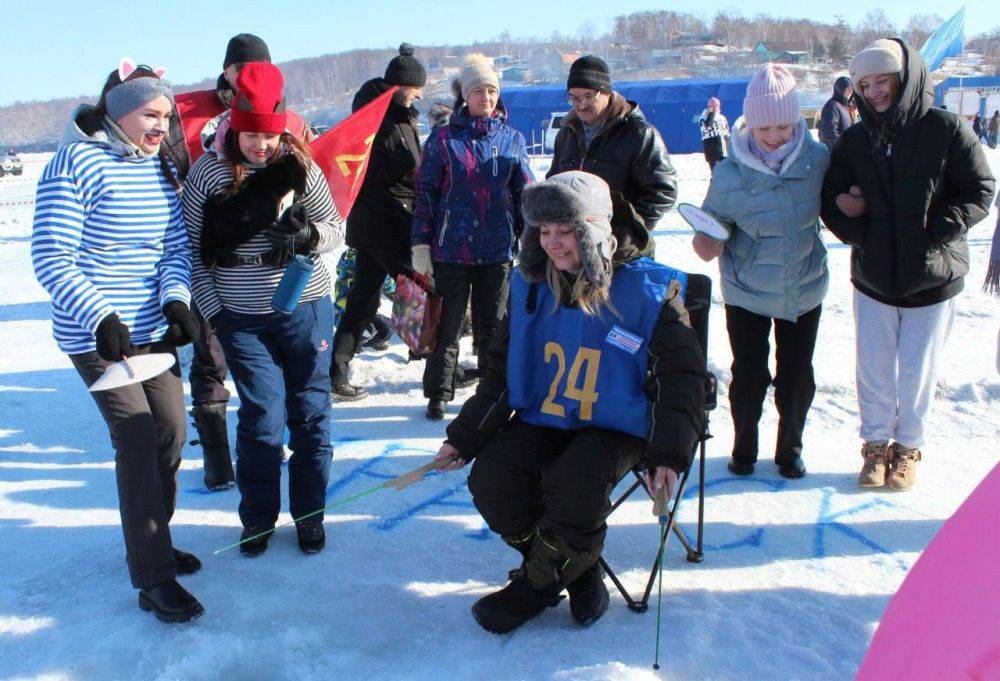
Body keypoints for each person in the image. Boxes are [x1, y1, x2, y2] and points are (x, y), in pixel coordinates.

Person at [431, 171, 705, 633]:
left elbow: (682, 378)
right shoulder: (529, 286)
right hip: (549, 414)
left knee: (576, 481)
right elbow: (501, 369)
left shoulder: (652, 290)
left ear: (596, 231)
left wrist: (669, 453)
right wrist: (465, 437)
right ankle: (576, 565)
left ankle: (534, 588)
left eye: (567, 231)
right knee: (494, 477)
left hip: (619, 423)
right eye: (544, 231)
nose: (554, 244)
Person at [31, 60, 203, 622]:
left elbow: (174, 250)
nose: (162, 127)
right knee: (136, 437)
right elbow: (52, 256)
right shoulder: (74, 162)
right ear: (120, 112)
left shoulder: (157, 169)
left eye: (167, 116)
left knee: (172, 432)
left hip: (151, 331)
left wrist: (176, 299)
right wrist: (102, 315)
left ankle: (155, 537)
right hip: (97, 335)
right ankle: (152, 575)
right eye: (151, 115)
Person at [182, 62, 345, 555]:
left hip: (305, 306)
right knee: (262, 417)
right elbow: (190, 250)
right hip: (242, 318)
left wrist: (307, 235)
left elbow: (336, 229)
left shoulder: (299, 165)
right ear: (234, 127)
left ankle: (310, 516)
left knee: (311, 412)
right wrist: (215, 312)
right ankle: (257, 519)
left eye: (269, 136)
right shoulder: (209, 173)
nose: (260, 145)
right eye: (250, 135)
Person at [820, 39, 994, 491]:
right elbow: (831, 199)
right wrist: (851, 222)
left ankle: (908, 448)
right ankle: (875, 446)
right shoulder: (856, 139)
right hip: (874, 276)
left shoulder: (947, 128)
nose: (875, 91)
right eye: (866, 84)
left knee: (918, 371)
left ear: (905, 78)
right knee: (874, 369)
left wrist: (941, 230)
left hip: (934, 276)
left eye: (883, 80)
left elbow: (979, 189)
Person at [178, 33, 313, 491]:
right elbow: (177, 173)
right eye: (240, 67)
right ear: (228, 70)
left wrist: (305, 234)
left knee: (288, 402)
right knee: (210, 361)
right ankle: (217, 454)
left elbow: (318, 194)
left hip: (281, 288)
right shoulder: (191, 115)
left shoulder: (289, 131)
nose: (247, 74)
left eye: (259, 66)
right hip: (221, 266)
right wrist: (212, 306)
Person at [693, 64, 829, 479]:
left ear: (796, 121)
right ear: (748, 123)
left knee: (796, 377)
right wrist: (707, 242)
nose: (772, 137)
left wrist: (854, 204)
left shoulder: (818, 160)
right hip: (747, 290)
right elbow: (708, 231)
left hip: (804, 288)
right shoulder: (730, 173)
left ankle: (790, 449)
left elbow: (840, 205)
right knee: (749, 375)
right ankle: (744, 448)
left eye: (782, 127)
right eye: (763, 127)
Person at [412, 53, 533, 420]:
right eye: (479, 90)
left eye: (492, 90)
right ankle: (438, 392)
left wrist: (531, 235)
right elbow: (426, 193)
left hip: (497, 249)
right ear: (465, 95)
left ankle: (492, 391)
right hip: (452, 249)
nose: (487, 97)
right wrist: (421, 242)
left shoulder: (512, 139)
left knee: (494, 328)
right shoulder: (444, 139)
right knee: (446, 325)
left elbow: (525, 192)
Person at [330, 43, 426, 401]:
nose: (420, 93)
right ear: (399, 86)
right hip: (385, 221)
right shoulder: (376, 118)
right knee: (418, 288)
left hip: (381, 221)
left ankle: (337, 372)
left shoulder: (401, 115)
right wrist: (406, 164)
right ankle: (431, 360)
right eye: (416, 87)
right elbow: (366, 168)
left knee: (364, 299)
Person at [547, 55, 677, 259]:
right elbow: (554, 183)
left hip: (622, 251)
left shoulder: (638, 133)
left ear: (606, 92)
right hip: (573, 250)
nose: (580, 105)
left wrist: (630, 230)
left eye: (588, 96)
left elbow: (663, 190)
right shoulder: (567, 134)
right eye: (574, 97)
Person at [818, 75, 854, 150]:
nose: (850, 92)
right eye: (848, 89)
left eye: (851, 90)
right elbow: (829, 132)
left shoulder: (844, 105)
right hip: (834, 152)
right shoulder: (832, 106)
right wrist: (842, 148)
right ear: (840, 90)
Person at [699, 96, 730, 170]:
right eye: (716, 106)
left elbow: (726, 133)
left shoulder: (721, 117)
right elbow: (707, 128)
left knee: (720, 170)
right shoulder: (706, 116)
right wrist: (712, 114)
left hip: (714, 145)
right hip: (714, 144)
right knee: (718, 170)